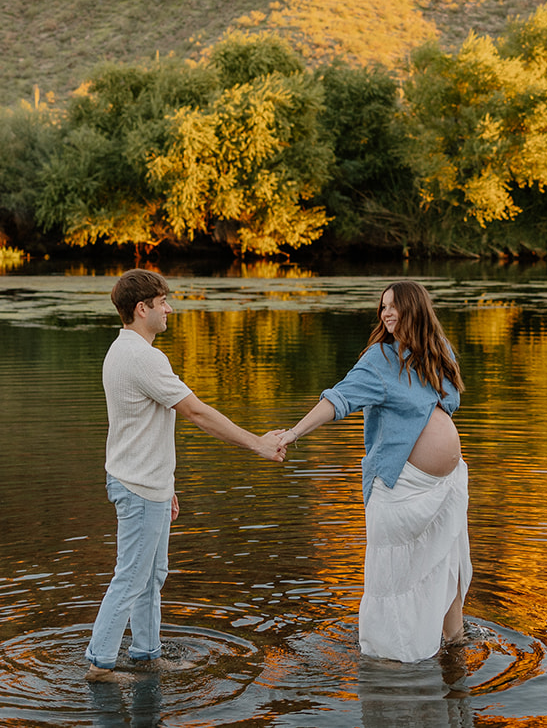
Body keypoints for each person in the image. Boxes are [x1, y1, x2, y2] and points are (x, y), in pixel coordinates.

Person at [84, 268, 287, 682]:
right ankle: (100, 664)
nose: (170, 310)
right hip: (139, 487)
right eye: (163, 303)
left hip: (145, 483)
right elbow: (196, 412)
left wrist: (167, 485)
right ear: (142, 309)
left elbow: (141, 428)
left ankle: (146, 653)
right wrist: (258, 444)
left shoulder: (122, 350)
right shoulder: (143, 357)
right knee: (132, 576)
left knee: (150, 576)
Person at [276, 280, 471, 663]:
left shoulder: (436, 352)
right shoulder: (379, 360)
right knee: (395, 581)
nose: (385, 313)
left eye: (393, 305)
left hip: (444, 486)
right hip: (400, 490)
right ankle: (391, 661)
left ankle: (455, 643)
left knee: (446, 564)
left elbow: (446, 402)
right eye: (382, 307)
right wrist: (294, 432)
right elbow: (339, 398)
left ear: (414, 308)